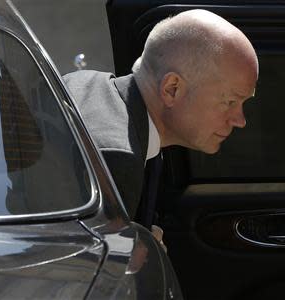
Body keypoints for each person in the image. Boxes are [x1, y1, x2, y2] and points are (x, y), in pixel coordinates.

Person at [64, 9, 258, 222]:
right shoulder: (115, 160)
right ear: (172, 89)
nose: (240, 120)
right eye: (230, 102)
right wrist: (141, 252)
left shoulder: (84, 81)